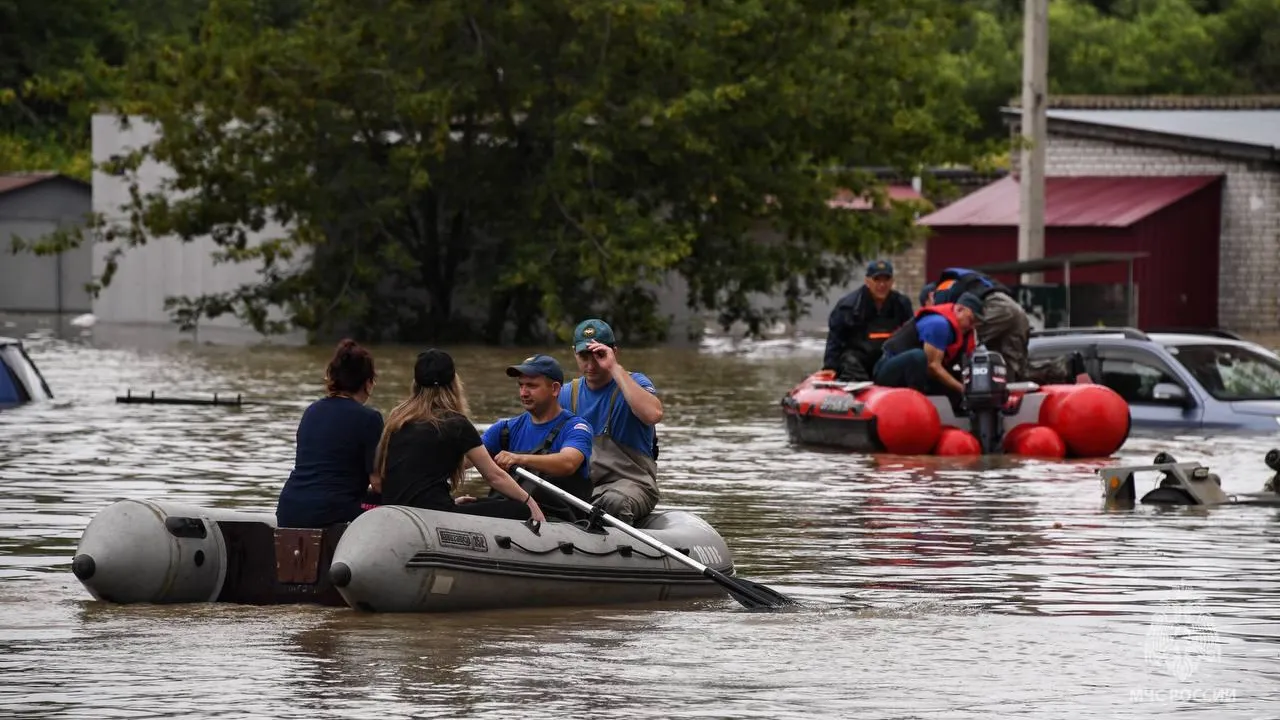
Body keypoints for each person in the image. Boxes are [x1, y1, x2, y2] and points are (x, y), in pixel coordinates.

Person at [376, 349, 546, 523]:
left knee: (480, 501)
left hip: (396, 510)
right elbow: (494, 476)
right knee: (518, 509)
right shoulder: (455, 423)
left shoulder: (397, 419)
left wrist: (453, 503)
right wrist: (530, 503)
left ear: (416, 383)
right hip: (433, 514)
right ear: (454, 383)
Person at [560, 318, 663, 525]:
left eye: (599, 355)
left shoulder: (635, 383)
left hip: (633, 485)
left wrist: (614, 368)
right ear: (574, 353)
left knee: (613, 502)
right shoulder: (566, 394)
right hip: (584, 489)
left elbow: (653, 414)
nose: (591, 364)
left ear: (613, 352)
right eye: (584, 356)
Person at [276, 339, 385, 528]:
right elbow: (378, 484)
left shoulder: (311, 411)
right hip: (331, 512)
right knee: (394, 506)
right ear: (368, 383)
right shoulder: (370, 418)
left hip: (289, 507)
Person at [477, 354, 595, 522]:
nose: (524, 393)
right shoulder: (504, 429)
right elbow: (466, 459)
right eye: (521, 385)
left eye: (531, 386)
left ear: (554, 389)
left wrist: (519, 458)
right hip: (509, 514)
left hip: (559, 520)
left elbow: (568, 463)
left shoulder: (576, 428)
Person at [926, 267, 1032, 382]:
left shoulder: (943, 289)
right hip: (1013, 309)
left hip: (995, 308)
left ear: (930, 296)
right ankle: (1053, 371)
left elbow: (947, 322)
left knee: (964, 338)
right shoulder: (962, 281)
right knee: (1012, 370)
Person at [819, 259, 915, 382]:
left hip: (887, 359)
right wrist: (830, 367)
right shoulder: (848, 306)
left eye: (886, 280)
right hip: (858, 361)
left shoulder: (902, 304)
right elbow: (835, 339)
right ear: (867, 281)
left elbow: (910, 336)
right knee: (849, 360)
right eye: (877, 280)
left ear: (892, 282)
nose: (882, 285)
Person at [873, 292, 983, 398]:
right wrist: (963, 389)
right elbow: (933, 366)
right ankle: (916, 402)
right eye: (970, 320)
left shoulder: (965, 333)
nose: (971, 326)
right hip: (887, 369)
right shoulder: (939, 324)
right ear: (959, 310)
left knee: (954, 377)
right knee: (918, 356)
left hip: (918, 374)